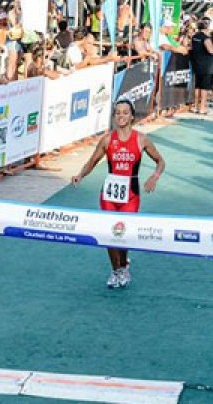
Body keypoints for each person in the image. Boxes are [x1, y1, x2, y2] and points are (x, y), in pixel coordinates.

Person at [72, 99, 166, 288]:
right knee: (109, 234)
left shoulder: (141, 139)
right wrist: (80, 175)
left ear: (132, 116)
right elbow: (92, 161)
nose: (121, 116)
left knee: (123, 233)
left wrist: (154, 177)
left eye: (125, 112)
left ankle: (123, 264)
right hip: (109, 194)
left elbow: (160, 161)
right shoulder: (107, 140)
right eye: (117, 113)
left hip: (130, 194)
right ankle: (116, 270)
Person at [189, 18, 213, 115]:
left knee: (197, 86)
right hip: (206, 65)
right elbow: (211, 50)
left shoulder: (194, 36)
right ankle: (202, 107)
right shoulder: (206, 38)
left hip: (197, 63)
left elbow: (192, 48)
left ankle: (195, 106)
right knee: (204, 87)